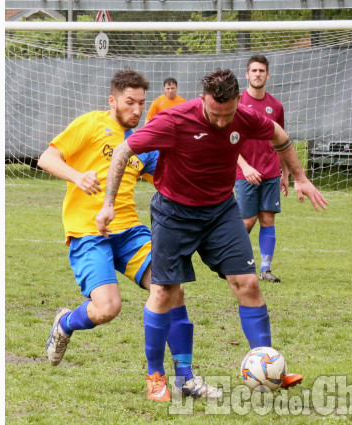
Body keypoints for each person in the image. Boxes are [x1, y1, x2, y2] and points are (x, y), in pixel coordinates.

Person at [96, 68, 328, 402]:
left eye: (228, 114)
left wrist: (300, 176)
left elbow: (279, 136)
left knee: (247, 284)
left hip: (220, 211)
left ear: (237, 101)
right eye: (214, 114)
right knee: (164, 291)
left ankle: (268, 365)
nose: (221, 123)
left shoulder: (244, 117)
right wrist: (108, 205)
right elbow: (123, 151)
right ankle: (157, 376)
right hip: (174, 212)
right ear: (203, 99)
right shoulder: (174, 120)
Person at [37, 68, 220, 401]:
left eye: (141, 104)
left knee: (171, 289)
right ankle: (65, 323)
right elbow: (47, 157)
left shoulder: (143, 142)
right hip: (89, 233)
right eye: (129, 102)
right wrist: (77, 177)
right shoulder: (91, 124)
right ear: (113, 100)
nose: (137, 110)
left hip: (130, 232)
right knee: (108, 308)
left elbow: (168, 178)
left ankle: (185, 378)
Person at [235, 54, 289, 283]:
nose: (258, 74)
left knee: (268, 218)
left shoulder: (275, 106)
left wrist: (284, 173)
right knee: (247, 221)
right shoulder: (236, 103)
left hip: (270, 172)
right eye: (254, 71)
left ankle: (265, 269)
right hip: (245, 172)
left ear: (268, 75)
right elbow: (228, 139)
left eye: (261, 71)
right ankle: (234, 262)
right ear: (247, 75)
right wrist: (245, 167)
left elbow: (281, 141)